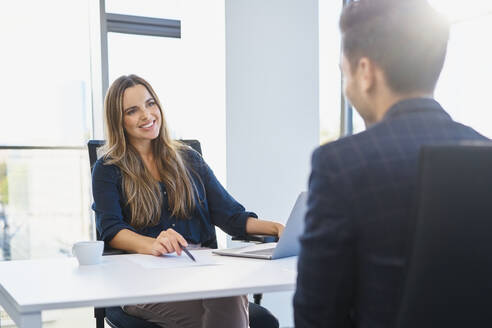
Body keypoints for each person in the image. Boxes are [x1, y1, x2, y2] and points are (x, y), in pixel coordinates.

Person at [294, 0, 489, 327]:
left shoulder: (341, 164)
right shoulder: (484, 151)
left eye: (345, 72)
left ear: (366, 72)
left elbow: (317, 314)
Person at [92, 74, 284, 328]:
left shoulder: (188, 159)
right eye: (132, 110)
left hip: (199, 274)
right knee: (227, 299)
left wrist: (279, 228)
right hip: (141, 284)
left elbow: (231, 216)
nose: (147, 115)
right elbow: (111, 229)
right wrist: (154, 243)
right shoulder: (108, 168)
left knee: (226, 293)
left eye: (151, 104)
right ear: (119, 120)